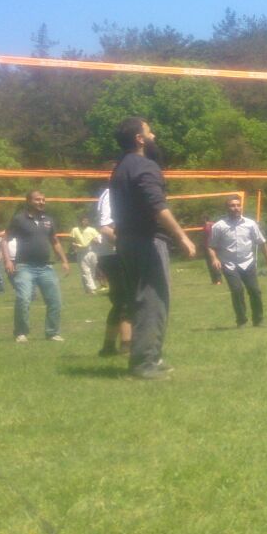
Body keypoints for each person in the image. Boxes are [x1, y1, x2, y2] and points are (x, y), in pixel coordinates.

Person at [110, 117, 197, 379]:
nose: (154, 136)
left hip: (126, 241)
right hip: (146, 241)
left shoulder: (121, 168)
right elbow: (157, 206)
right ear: (140, 139)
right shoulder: (145, 166)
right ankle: (144, 363)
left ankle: (152, 357)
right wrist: (181, 236)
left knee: (141, 301)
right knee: (152, 301)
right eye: (150, 132)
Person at [3, 191, 70, 342]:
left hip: (46, 267)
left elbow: (55, 241)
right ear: (28, 201)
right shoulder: (19, 219)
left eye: (43, 200)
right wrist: (7, 260)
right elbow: (5, 240)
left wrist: (64, 260)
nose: (42, 202)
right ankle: (21, 332)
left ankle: (52, 332)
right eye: (38, 199)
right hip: (24, 266)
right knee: (23, 299)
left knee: (55, 300)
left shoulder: (48, 220)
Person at [208, 195, 267, 327]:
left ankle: (258, 320)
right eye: (232, 205)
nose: (236, 208)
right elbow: (211, 246)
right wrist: (214, 259)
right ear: (227, 208)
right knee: (237, 290)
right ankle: (241, 320)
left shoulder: (250, 224)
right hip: (229, 265)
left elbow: (262, 242)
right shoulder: (219, 226)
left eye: (238, 205)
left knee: (255, 291)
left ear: (241, 207)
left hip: (247, 262)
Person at [93, 187, 132, 356]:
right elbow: (105, 228)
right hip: (114, 255)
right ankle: (126, 346)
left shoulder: (123, 193)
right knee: (126, 300)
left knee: (121, 301)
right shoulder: (112, 193)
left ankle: (108, 347)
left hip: (117, 254)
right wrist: (129, 246)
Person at [69, 215, 101, 294]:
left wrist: (95, 240)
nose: (84, 222)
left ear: (88, 221)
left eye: (86, 220)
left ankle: (87, 288)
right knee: (85, 271)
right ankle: (92, 289)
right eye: (82, 220)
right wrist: (74, 245)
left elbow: (98, 241)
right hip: (81, 252)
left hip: (92, 252)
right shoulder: (75, 230)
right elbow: (71, 241)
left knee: (92, 271)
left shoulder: (92, 230)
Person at [201, 216, 222, 284]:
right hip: (206, 246)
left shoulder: (212, 225)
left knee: (214, 262)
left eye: (202, 219)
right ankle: (214, 280)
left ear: (205, 219)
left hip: (212, 246)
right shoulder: (205, 226)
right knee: (209, 264)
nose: (201, 220)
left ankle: (218, 280)